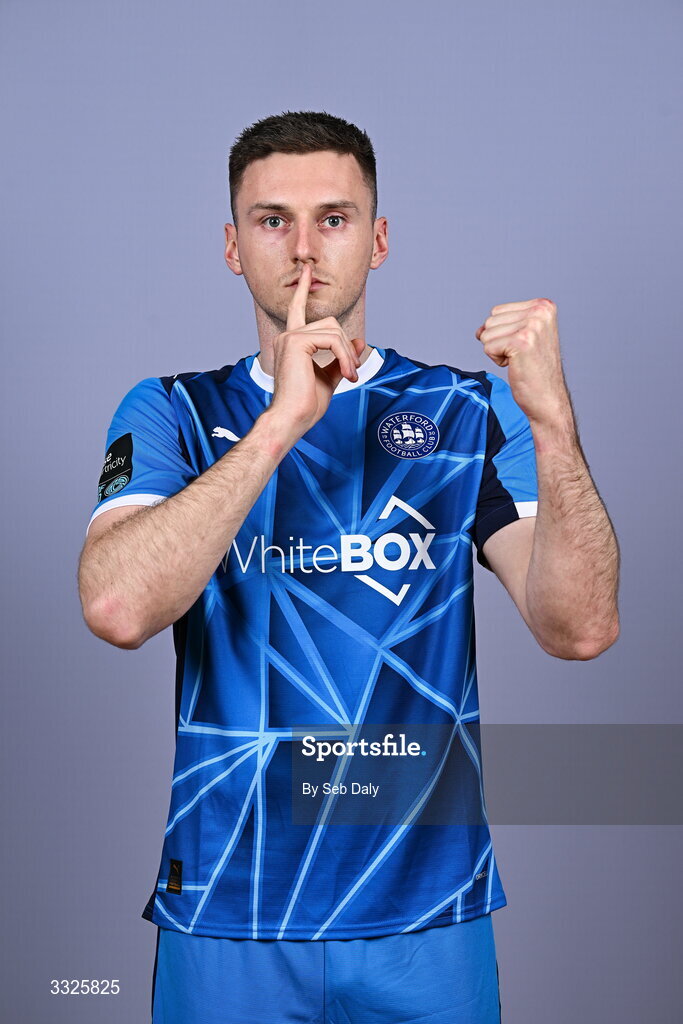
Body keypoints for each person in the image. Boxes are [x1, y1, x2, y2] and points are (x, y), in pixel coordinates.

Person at [77, 110, 620, 1024]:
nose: (303, 249)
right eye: (272, 220)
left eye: (333, 218)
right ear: (232, 246)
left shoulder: (466, 410)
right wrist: (281, 422)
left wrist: (552, 421)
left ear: (377, 239)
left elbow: (580, 627)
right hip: (229, 906)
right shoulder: (172, 411)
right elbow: (118, 608)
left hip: (427, 914)